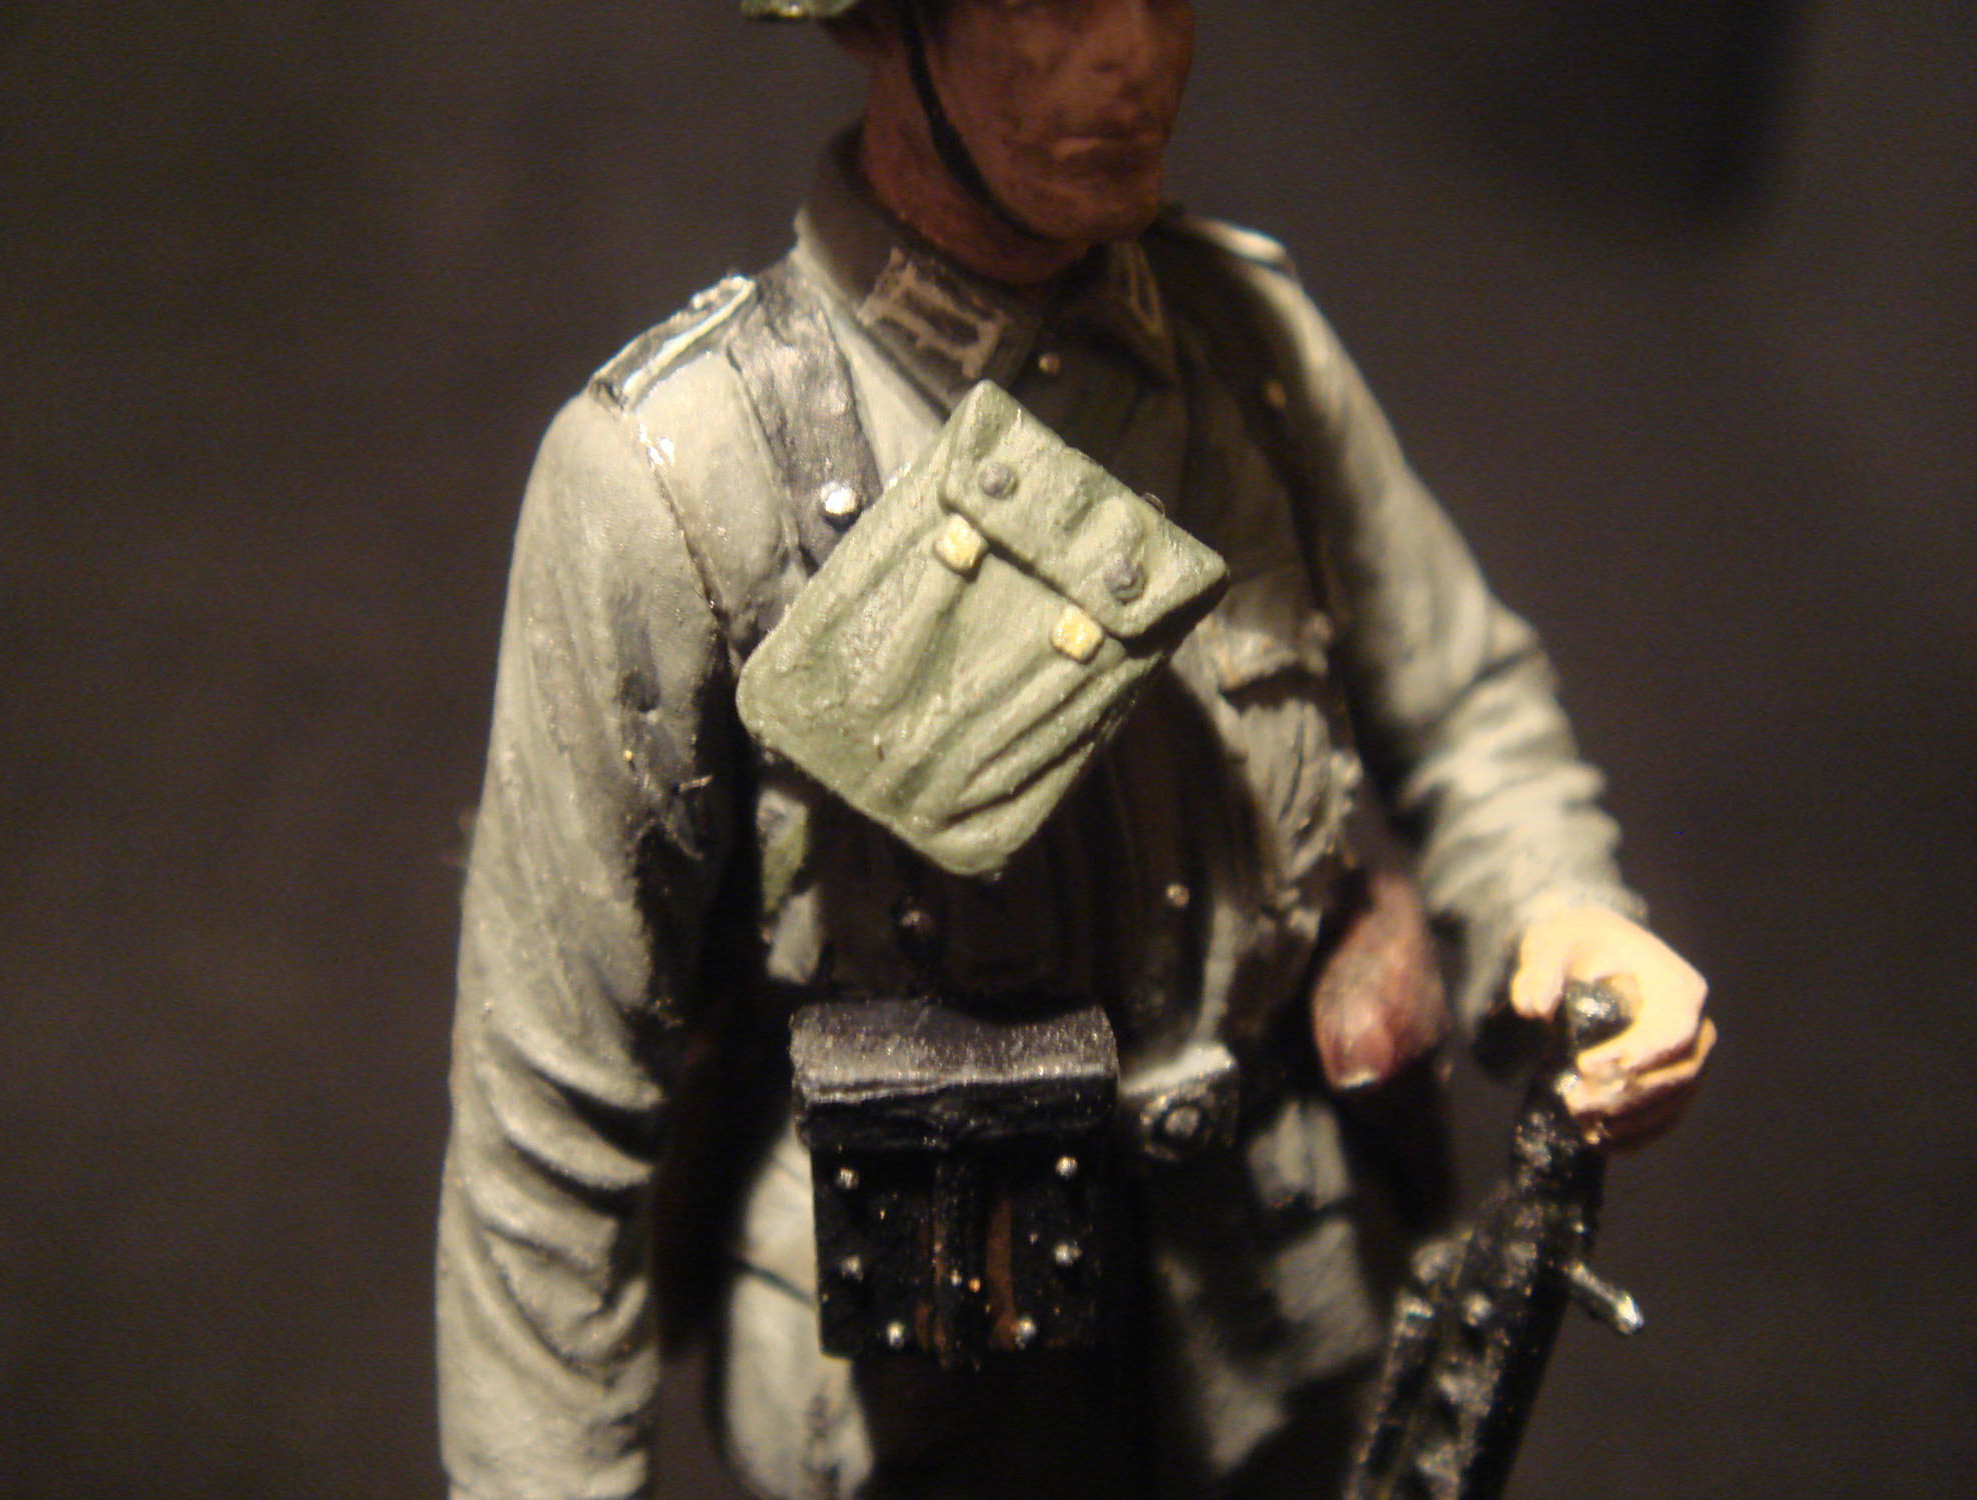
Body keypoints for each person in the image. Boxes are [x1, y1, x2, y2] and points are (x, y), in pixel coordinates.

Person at [435, 3, 1716, 1498]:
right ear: (883, 24)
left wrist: (1562, 914)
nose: (1133, 55)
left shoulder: (1244, 341)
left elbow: (1466, 700)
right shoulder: (679, 474)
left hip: (1290, 1333)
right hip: (933, 1370)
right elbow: (550, 1124)